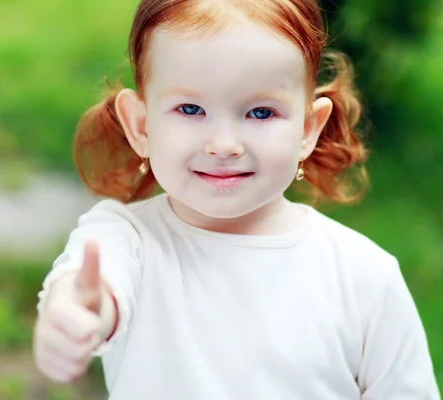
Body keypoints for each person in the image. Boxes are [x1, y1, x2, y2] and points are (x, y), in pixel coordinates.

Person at [33, 0, 441, 398]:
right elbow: (95, 287)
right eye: (190, 109)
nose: (223, 144)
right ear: (140, 126)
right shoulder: (127, 241)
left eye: (260, 113)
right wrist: (76, 312)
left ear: (307, 129)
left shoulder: (362, 277)